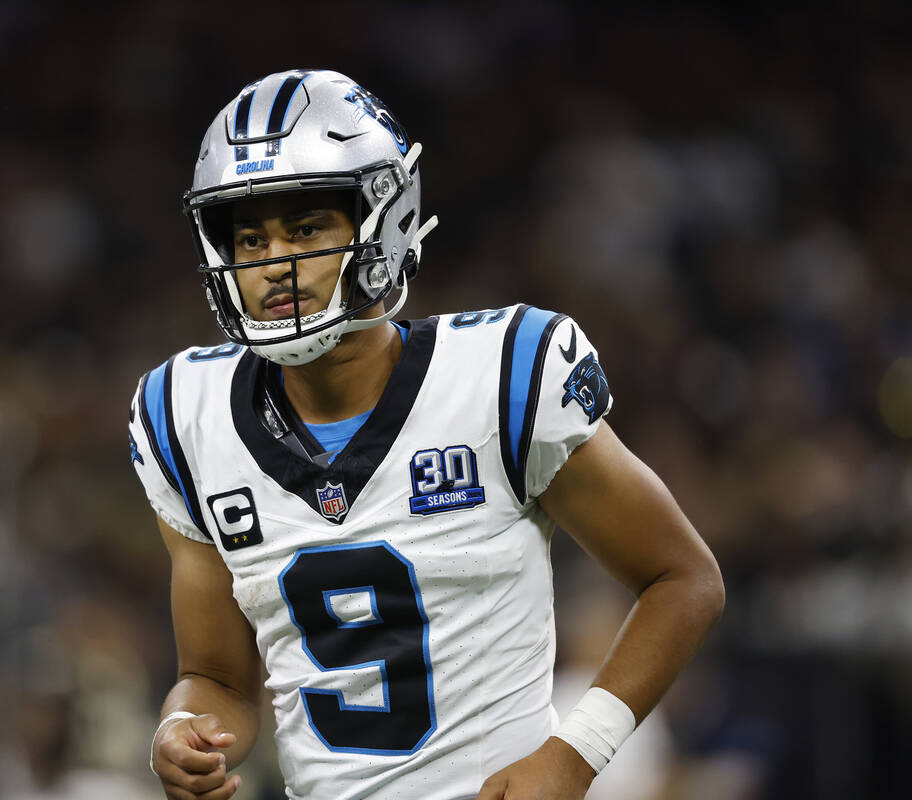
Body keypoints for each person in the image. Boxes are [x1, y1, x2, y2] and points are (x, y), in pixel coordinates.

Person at [129, 69, 725, 800]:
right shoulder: (185, 416)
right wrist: (182, 729)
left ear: (382, 219)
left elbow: (684, 579)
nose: (274, 264)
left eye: (307, 228)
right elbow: (217, 678)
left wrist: (575, 752)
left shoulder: (502, 377)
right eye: (250, 238)